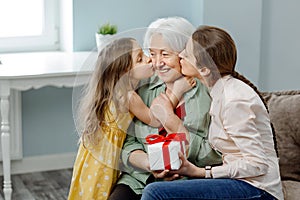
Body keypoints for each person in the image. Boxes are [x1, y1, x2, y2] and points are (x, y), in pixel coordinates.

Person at [141, 25, 284, 200]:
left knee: (155, 193)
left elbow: (257, 164)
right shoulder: (218, 92)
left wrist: (203, 172)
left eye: (186, 54)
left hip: (258, 190)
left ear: (204, 70)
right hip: (239, 182)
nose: (180, 56)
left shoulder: (234, 100)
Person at [109, 17, 222, 200]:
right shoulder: (142, 91)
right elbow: (128, 144)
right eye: (152, 54)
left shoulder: (208, 96)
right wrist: (149, 164)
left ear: (184, 54)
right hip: (140, 179)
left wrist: (171, 121)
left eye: (165, 54)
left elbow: (215, 155)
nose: (157, 62)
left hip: (189, 180)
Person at [68, 37, 172, 200]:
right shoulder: (129, 97)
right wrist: (175, 94)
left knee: (89, 191)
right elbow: (155, 120)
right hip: (104, 158)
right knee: (100, 190)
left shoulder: (114, 92)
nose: (149, 59)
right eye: (140, 59)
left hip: (92, 155)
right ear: (125, 73)